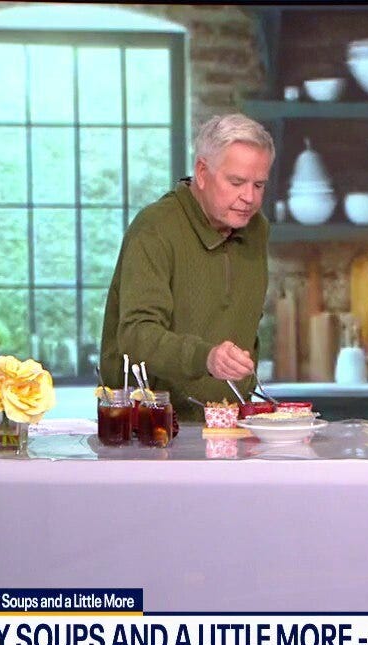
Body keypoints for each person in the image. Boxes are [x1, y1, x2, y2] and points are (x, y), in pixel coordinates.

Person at [100, 114, 273, 420]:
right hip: (152, 425)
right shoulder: (154, 228)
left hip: (229, 422)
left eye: (258, 185)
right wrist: (206, 357)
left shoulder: (256, 229)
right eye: (236, 182)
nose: (249, 197)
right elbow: (136, 334)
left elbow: (245, 326)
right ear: (202, 172)